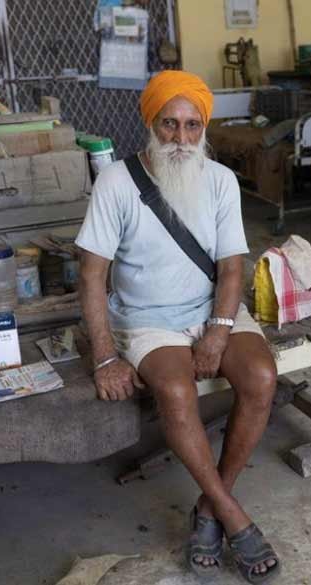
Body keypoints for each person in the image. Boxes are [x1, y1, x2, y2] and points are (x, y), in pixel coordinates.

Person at [76, 70, 280, 583]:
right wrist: (104, 355)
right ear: (151, 123)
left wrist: (218, 327)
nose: (181, 139)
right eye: (170, 124)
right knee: (174, 388)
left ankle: (210, 508)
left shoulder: (220, 180)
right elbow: (92, 273)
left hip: (212, 308)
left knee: (261, 378)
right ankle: (230, 513)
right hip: (147, 319)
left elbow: (232, 266)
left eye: (193, 126)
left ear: (204, 129)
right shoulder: (117, 182)